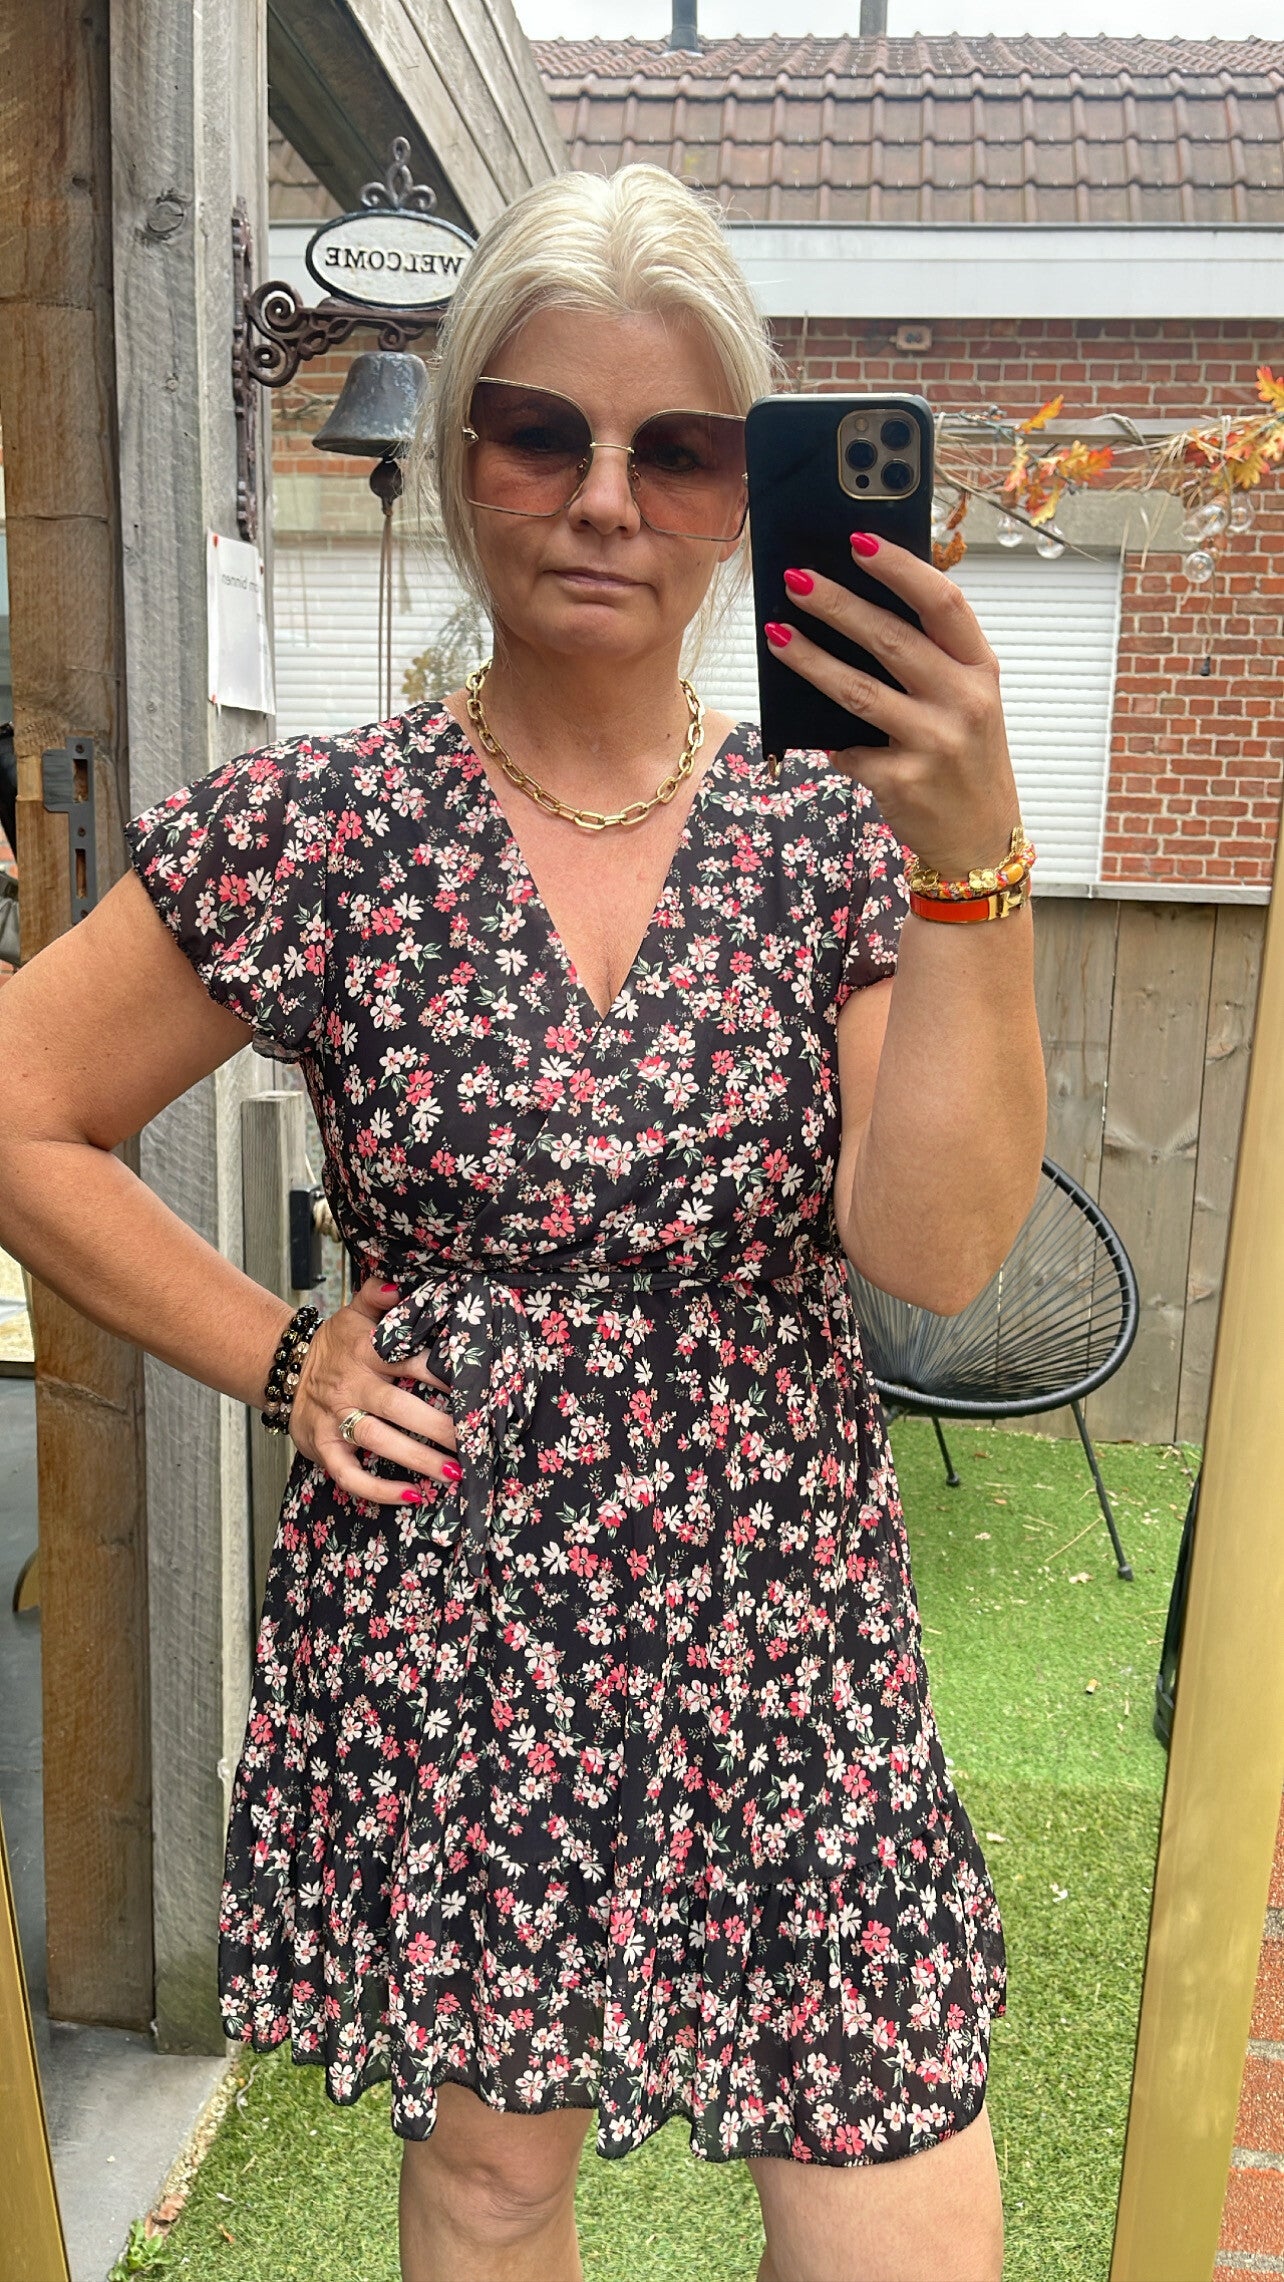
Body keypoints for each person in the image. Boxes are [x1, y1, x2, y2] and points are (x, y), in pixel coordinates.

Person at [0, 165, 1045, 2282]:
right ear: (468, 446)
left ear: (744, 497)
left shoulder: (835, 838)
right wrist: (279, 1353)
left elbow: (936, 1253)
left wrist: (973, 858)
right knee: (493, 2182)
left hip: (781, 1607)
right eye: (540, 432)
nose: (604, 501)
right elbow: (25, 1106)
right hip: (461, 1602)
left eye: (679, 452)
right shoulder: (330, 830)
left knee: (902, 2214)